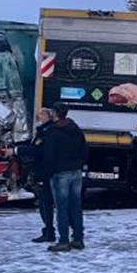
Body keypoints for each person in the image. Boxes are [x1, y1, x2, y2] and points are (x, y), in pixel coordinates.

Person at [43, 102, 88, 252]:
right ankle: (78, 238)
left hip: (60, 173)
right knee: (76, 206)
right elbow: (84, 150)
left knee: (62, 207)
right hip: (76, 172)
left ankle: (63, 240)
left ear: (55, 113)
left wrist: (48, 171)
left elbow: (48, 155)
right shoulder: (75, 129)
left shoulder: (52, 131)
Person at [20, 108, 56, 243]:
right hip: (44, 170)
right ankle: (49, 230)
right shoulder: (45, 130)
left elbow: (37, 150)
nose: (38, 117)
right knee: (45, 202)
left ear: (47, 116)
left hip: (44, 171)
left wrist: (18, 151)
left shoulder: (46, 132)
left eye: (41, 115)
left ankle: (49, 231)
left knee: (45, 202)